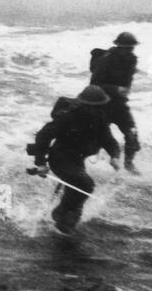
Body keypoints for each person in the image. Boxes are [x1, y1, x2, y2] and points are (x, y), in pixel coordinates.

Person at [31, 85, 121, 233]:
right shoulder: (68, 116)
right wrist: (41, 163)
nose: (94, 110)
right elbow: (43, 136)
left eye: (98, 107)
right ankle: (61, 215)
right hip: (60, 158)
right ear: (83, 105)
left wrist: (115, 156)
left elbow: (109, 141)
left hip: (77, 161)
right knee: (86, 185)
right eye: (91, 107)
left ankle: (63, 218)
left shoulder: (100, 118)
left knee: (77, 197)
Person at [88, 32, 140, 172]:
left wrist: (121, 92)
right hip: (101, 104)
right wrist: (116, 89)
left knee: (131, 134)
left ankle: (129, 164)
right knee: (95, 139)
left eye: (131, 48)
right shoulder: (106, 59)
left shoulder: (132, 60)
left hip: (119, 104)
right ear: (118, 46)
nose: (130, 51)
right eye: (127, 48)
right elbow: (95, 84)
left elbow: (127, 84)